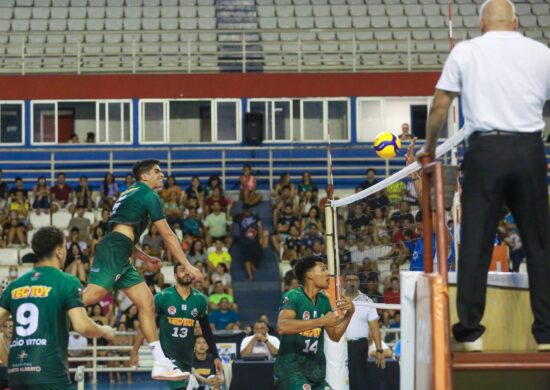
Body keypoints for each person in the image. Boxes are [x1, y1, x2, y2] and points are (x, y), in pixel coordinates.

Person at [417, 0, 550, 352]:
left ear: (481, 24)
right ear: (517, 22)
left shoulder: (467, 51)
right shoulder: (542, 53)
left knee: (475, 241)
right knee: (539, 244)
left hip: (486, 153)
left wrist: (429, 148)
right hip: (530, 151)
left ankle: (471, 333)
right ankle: (547, 334)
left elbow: (441, 104)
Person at [83, 159, 201, 380]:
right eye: (157, 171)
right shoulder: (148, 195)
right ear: (144, 176)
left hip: (120, 249)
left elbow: (123, 231)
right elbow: (167, 234)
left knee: (147, 301)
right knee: (92, 296)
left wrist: (145, 257)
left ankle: (160, 361)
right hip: (116, 250)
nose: (162, 174)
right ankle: (50, 302)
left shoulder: (131, 193)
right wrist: (187, 265)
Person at [0, 226, 114, 389]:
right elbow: (82, 326)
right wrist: (104, 331)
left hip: (18, 375)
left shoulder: (15, 285)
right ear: (59, 251)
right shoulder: (67, 281)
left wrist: (9, 360)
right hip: (49, 373)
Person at [130, 263, 222, 390]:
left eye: (189, 270)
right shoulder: (162, 297)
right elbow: (146, 326)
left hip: (188, 354)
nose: (186, 273)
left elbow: (206, 330)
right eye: (182, 270)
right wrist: (135, 352)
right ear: (174, 275)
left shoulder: (200, 299)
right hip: (169, 354)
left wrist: (216, 355)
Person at [275, 255, 355, 389]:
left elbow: (335, 336)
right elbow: (282, 326)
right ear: (310, 275)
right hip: (291, 371)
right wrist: (320, 321)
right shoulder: (293, 296)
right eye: (323, 269)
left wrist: (350, 313)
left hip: (316, 372)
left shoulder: (324, 301)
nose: (328, 274)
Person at [344, 272, 385, 390]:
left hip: (358, 346)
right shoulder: (337, 297)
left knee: (358, 382)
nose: (351, 282)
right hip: (339, 345)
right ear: (344, 282)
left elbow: (374, 326)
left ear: (359, 283)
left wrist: (379, 349)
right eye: (349, 279)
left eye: (354, 279)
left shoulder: (367, 301)